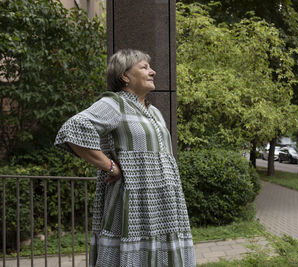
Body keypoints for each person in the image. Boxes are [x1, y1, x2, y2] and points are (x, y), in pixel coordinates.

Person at [55, 49, 196, 266]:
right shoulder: (115, 104)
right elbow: (73, 129)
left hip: (165, 204)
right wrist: (110, 166)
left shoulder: (155, 111)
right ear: (125, 75)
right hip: (134, 202)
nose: (153, 72)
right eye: (144, 67)